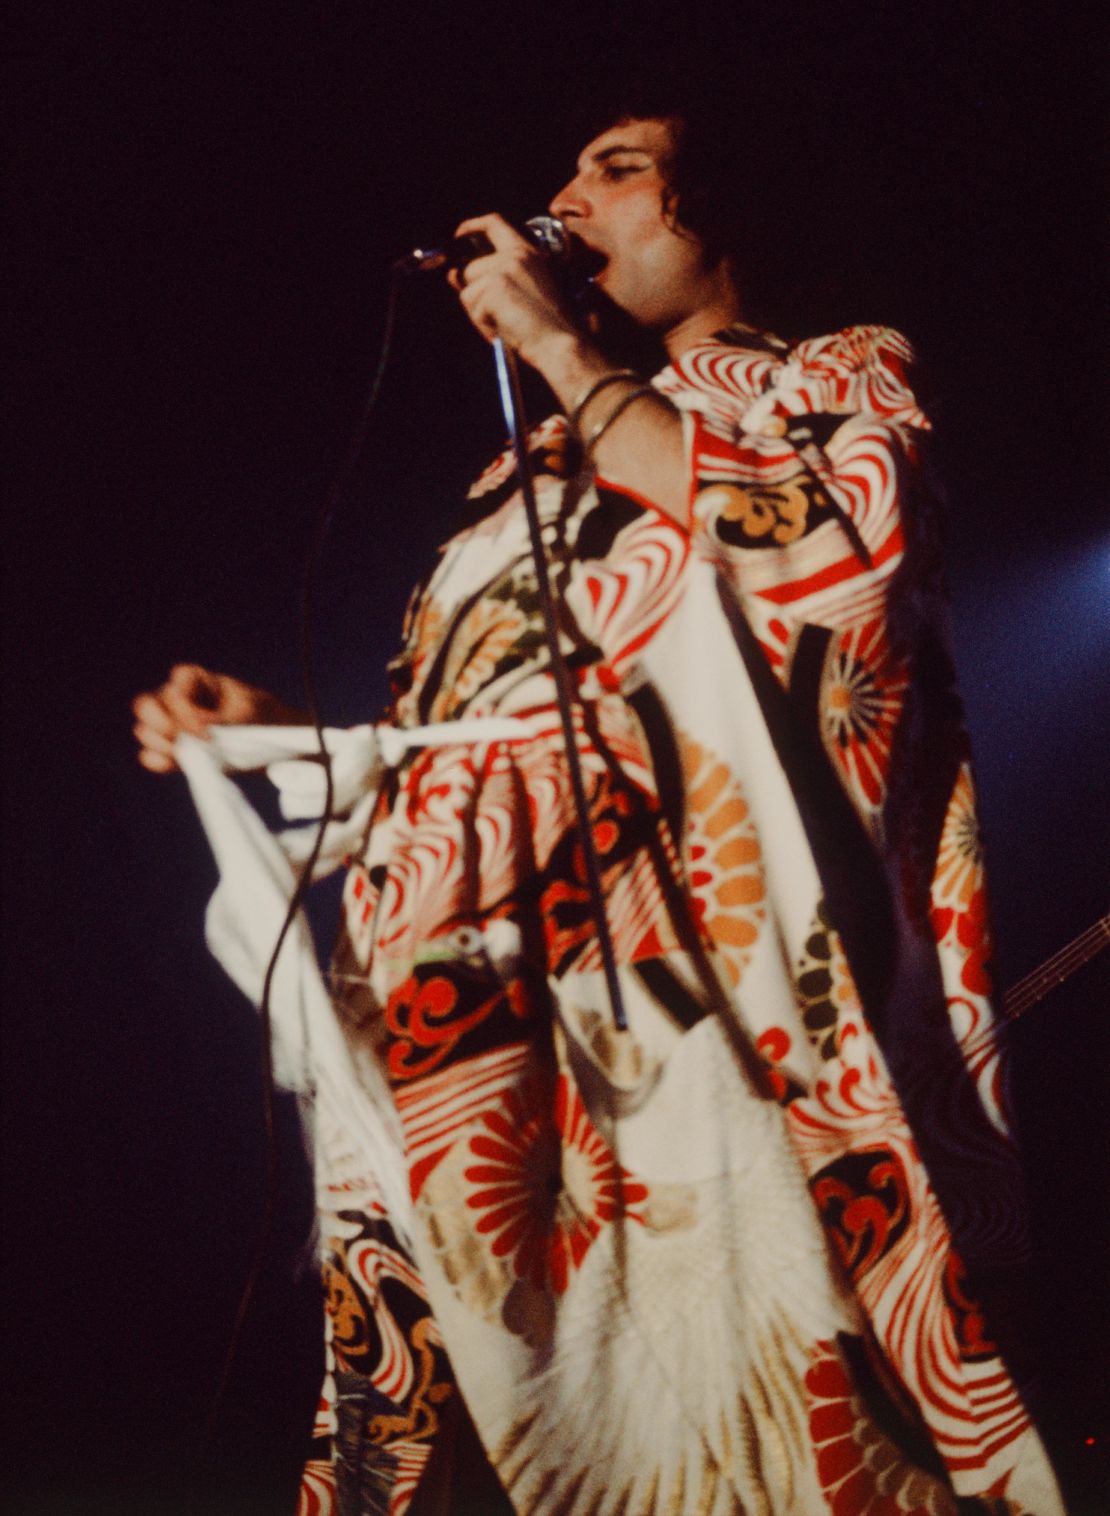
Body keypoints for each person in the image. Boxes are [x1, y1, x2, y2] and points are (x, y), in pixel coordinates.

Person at [134, 107, 1064, 1515]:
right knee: (469, 1351)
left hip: (682, 971)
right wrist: (284, 734)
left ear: (726, 211)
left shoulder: (827, 374)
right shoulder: (524, 474)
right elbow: (472, 733)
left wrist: (562, 357)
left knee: (724, 1347)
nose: (563, 197)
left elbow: (831, 571)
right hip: (464, 982)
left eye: (615, 169)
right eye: (568, 171)